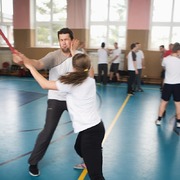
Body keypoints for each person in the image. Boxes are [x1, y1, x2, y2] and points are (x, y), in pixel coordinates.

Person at [12, 28, 90, 177]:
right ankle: (33, 162)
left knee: (85, 127)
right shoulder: (54, 56)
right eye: (61, 40)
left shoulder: (79, 56)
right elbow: (38, 63)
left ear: (72, 40)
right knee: (48, 130)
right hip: (56, 98)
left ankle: (86, 157)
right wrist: (24, 61)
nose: (63, 43)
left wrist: (77, 51)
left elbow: (88, 74)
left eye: (66, 39)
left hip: (74, 99)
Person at [23, 53, 105, 180]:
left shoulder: (70, 84)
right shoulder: (90, 80)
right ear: (87, 67)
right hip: (95, 127)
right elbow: (90, 69)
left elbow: (44, 84)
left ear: (73, 67)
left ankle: (91, 163)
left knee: (96, 176)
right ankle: (89, 160)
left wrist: (30, 67)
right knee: (78, 148)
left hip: (91, 133)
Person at [155, 42, 180, 128]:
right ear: (178, 51)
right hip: (177, 85)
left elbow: (164, 67)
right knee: (178, 104)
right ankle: (178, 122)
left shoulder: (165, 59)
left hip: (168, 84)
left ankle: (159, 120)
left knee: (163, 103)